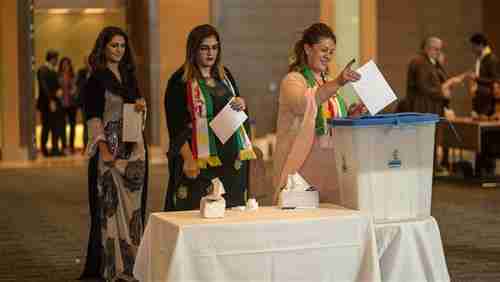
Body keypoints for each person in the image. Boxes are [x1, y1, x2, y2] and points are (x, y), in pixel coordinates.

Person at [80, 26, 148, 281]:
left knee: (133, 212)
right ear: (103, 48)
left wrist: (142, 106)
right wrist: (105, 151)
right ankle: (114, 268)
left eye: (122, 46)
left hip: (133, 154)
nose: (119, 50)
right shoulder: (96, 79)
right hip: (109, 156)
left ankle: (133, 267)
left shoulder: (129, 77)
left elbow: (137, 111)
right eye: (113, 46)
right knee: (110, 211)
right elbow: (93, 118)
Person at [163, 24, 255, 211]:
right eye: (204, 48)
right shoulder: (179, 81)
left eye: (214, 48)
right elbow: (175, 126)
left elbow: (236, 104)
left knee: (232, 212)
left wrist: (241, 103)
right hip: (199, 160)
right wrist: (188, 158)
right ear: (193, 50)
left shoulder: (224, 75)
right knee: (196, 212)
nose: (210, 53)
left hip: (231, 161)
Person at [272, 23, 364, 204]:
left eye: (331, 52)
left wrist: (352, 114)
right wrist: (339, 82)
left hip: (330, 166)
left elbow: (335, 121)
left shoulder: (328, 82)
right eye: (324, 50)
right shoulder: (293, 80)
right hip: (301, 169)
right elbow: (306, 103)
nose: (328, 56)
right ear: (307, 49)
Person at [406, 36, 452, 173]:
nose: (439, 52)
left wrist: (439, 64)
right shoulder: (419, 62)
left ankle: (430, 167)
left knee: (431, 140)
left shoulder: (431, 63)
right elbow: (424, 86)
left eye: (440, 49)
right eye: (436, 49)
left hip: (431, 107)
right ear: (427, 48)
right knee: (424, 141)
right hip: (422, 108)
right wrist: (442, 93)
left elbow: (441, 80)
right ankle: (424, 168)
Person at [468, 33, 500, 176]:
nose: (473, 49)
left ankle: (488, 168)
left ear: (480, 44)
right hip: (482, 101)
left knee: (488, 136)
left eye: (474, 46)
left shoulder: (491, 59)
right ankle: (481, 168)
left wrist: (477, 79)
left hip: (488, 103)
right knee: (481, 136)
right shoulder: (482, 58)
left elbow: (495, 80)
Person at [37, 50, 60, 157]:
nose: (57, 61)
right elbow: (43, 87)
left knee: (55, 126)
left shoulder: (53, 71)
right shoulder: (42, 70)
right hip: (46, 104)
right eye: (56, 59)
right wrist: (50, 100)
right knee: (46, 126)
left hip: (54, 102)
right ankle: (44, 150)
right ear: (52, 58)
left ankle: (55, 149)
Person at [58, 57, 78, 154]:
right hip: (61, 105)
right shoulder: (58, 76)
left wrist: (74, 90)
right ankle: (64, 147)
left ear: (70, 65)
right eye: (64, 64)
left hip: (72, 104)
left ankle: (71, 146)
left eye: (67, 64)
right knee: (62, 126)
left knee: (73, 126)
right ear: (61, 65)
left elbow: (76, 89)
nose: (65, 66)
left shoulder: (73, 76)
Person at [76, 55, 92, 153]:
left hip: (97, 104)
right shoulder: (81, 73)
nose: (88, 63)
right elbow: (79, 86)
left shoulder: (98, 71)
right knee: (86, 126)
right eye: (86, 61)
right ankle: (86, 147)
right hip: (85, 104)